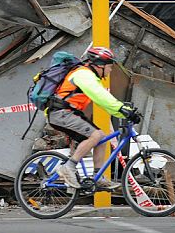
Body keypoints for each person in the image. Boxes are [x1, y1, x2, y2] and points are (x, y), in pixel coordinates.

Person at [47, 46, 140, 190]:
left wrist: (124, 112)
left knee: (101, 137)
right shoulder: (83, 75)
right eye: (109, 67)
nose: (110, 71)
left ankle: (98, 177)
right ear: (100, 65)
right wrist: (122, 109)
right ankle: (68, 167)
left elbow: (104, 101)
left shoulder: (89, 76)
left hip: (68, 113)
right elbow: (100, 96)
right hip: (60, 113)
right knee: (95, 135)